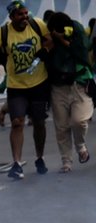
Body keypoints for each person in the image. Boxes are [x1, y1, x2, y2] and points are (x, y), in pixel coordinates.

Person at [0, 0, 52, 179]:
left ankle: (40, 157)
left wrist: (45, 50)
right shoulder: (3, 32)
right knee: (17, 122)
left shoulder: (37, 24)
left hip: (39, 83)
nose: (25, 17)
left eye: (26, 13)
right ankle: (17, 164)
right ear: (12, 16)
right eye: (20, 14)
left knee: (39, 123)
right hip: (16, 86)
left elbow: (50, 41)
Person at [44, 11, 92, 172]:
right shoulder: (48, 34)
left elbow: (81, 53)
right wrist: (50, 43)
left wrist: (61, 40)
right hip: (58, 86)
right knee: (62, 126)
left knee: (79, 121)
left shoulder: (76, 29)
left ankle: (80, 146)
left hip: (78, 83)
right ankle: (66, 161)